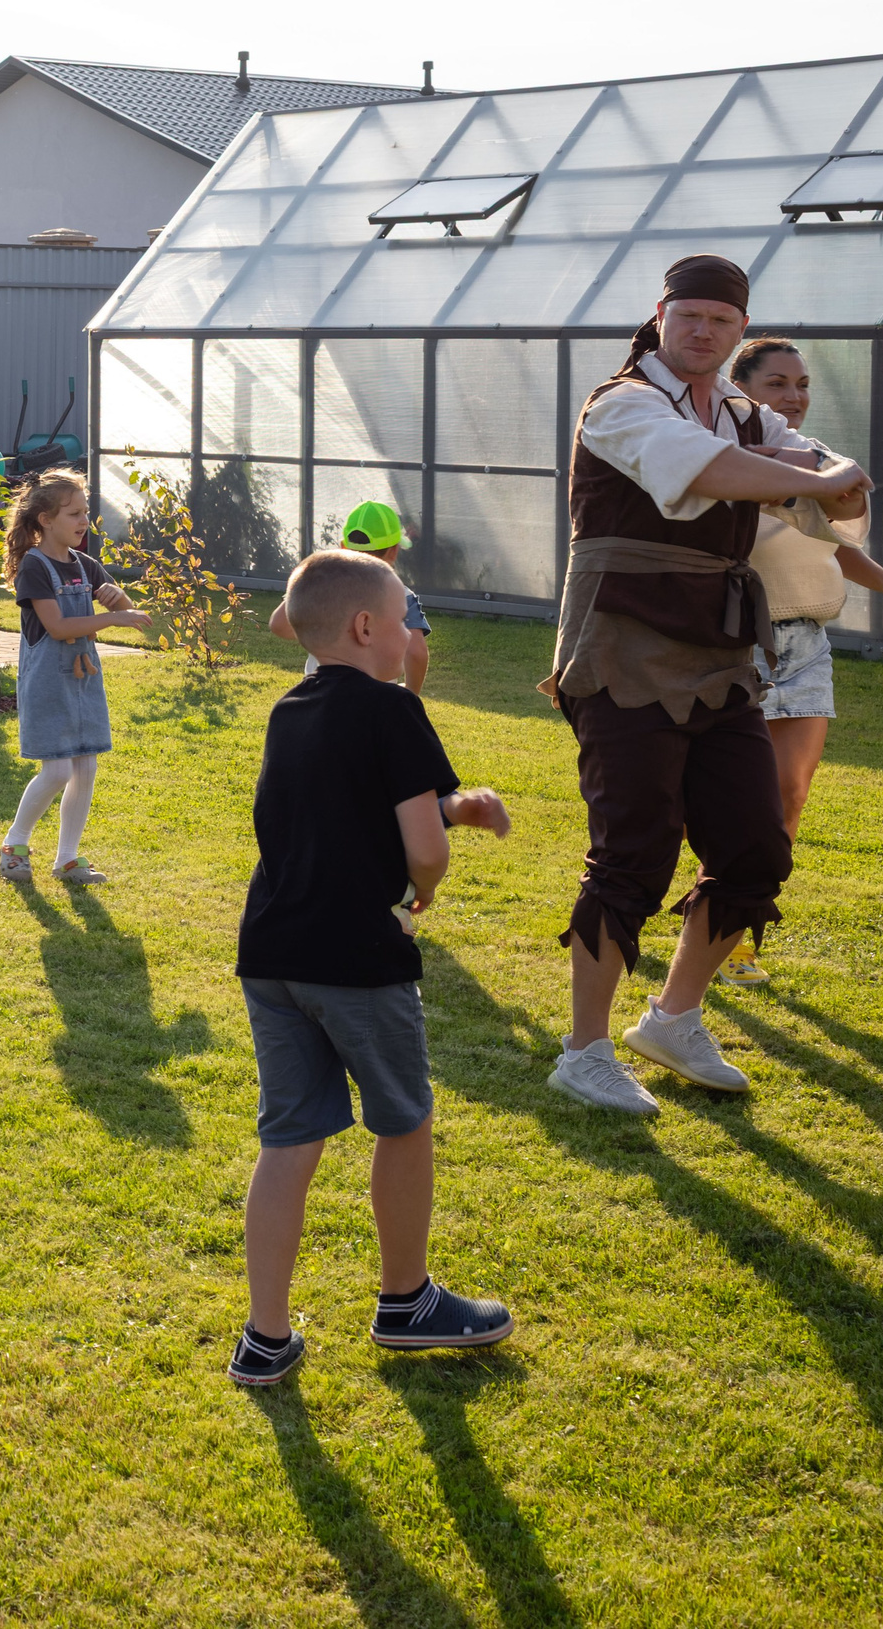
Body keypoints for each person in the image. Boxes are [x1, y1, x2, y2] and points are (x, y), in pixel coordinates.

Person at [542, 256, 872, 1115]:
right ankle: (583, 1050)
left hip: (722, 654)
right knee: (633, 854)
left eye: (722, 323)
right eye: (689, 316)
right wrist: (814, 481)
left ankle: (673, 1018)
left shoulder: (741, 410)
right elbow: (709, 471)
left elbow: (825, 480)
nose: (703, 332)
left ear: (737, 332)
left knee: (756, 846)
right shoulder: (623, 404)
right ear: (660, 315)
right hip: (623, 649)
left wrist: (822, 475)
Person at [228, 550, 515, 1385]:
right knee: (404, 1119)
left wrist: (460, 806)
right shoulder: (394, 709)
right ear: (365, 628)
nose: (412, 635)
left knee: (290, 1136)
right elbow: (420, 848)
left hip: (274, 953)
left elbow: (364, 808)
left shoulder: (290, 710)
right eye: (404, 620)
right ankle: (406, 1301)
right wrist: (423, 888)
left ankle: (266, 1337)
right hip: (357, 958)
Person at [715, 339, 883, 987]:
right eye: (778, 384)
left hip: (805, 648)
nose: (794, 396)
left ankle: (737, 940)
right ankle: (703, 902)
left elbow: (832, 542)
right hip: (734, 647)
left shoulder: (814, 461)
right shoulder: (723, 460)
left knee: (788, 799)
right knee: (731, 802)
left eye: (802, 383)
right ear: (742, 391)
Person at [0, 470, 150, 886]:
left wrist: (119, 599)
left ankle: (67, 859)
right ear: (45, 519)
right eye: (74, 514)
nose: (84, 522)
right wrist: (114, 616)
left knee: (85, 767)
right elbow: (59, 627)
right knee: (58, 771)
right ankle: (15, 844)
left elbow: (119, 602)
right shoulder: (35, 566)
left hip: (83, 680)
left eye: (85, 513)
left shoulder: (85, 564)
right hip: (47, 682)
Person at [266, 499, 432, 693]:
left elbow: (279, 625)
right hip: (373, 702)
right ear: (394, 551)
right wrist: (411, 693)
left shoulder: (322, 586)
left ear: (343, 547)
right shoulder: (400, 596)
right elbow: (416, 652)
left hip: (320, 696)